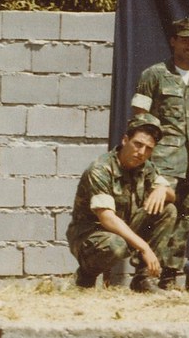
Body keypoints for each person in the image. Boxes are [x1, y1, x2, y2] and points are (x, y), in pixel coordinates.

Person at [131, 16, 189, 290]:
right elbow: (139, 119)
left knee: (186, 221)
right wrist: (145, 159)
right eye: (186, 40)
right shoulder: (153, 75)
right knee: (160, 216)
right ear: (173, 41)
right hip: (163, 163)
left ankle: (168, 278)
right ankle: (145, 275)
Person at [66, 114, 176, 293]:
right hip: (90, 235)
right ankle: (85, 276)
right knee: (115, 245)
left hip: (123, 229)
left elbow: (172, 196)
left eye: (148, 149)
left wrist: (162, 189)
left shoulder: (145, 167)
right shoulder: (101, 169)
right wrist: (144, 247)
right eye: (138, 144)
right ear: (125, 140)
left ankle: (144, 280)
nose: (141, 153)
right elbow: (107, 218)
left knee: (167, 209)